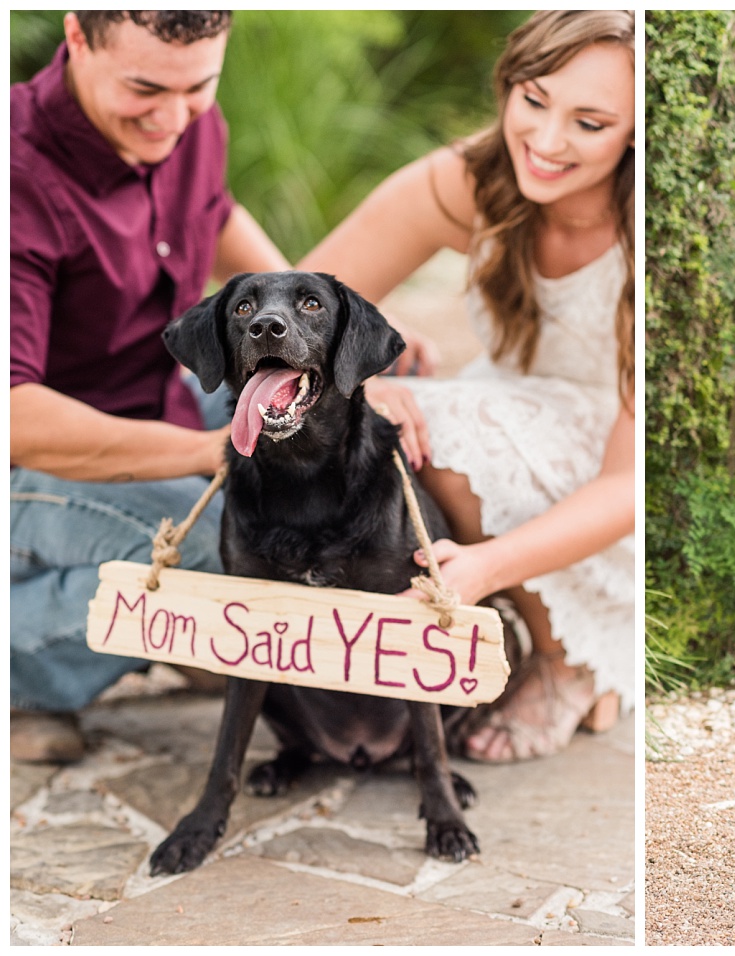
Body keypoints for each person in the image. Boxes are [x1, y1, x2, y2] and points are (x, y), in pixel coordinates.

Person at [299, 10, 636, 763]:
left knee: (449, 424)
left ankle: (567, 661)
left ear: (636, 132)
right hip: (515, 403)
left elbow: (629, 483)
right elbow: (306, 300)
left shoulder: (652, 238)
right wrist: (361, 376)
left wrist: (487, 566)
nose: (547, 143)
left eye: (589, 122)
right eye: (535, 100)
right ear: (508, 85)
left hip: (614, 456)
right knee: (384, 418)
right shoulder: (468, 178)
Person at [10, 11, 290, 762]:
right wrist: (209, 454)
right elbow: (13, 416)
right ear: (75, 36)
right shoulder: (16, 174)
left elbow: (215, 209)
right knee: (229, 538)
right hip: (30, 455)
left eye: (198, 87)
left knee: (339, 420)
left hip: (149, 398)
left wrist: (311, 324)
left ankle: (181, 624)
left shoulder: (186, 114)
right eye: (144, 89)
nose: (173, 118)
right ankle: (22, 676)